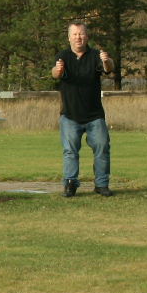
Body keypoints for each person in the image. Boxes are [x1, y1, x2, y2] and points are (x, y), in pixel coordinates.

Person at [51, 22, 115, 197]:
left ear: (87, 36)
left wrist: (106, 61)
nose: (78, 37)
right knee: (70, 151)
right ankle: (70, 184)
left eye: (81, 34)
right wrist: (58, 70)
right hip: (70, 115)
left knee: (102, 148)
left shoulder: (95, 55)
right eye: (75, 34)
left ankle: (101, 185)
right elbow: (55, 73)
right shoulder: (63, 56)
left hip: (94, 115)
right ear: (69, 37)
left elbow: (109, 68)